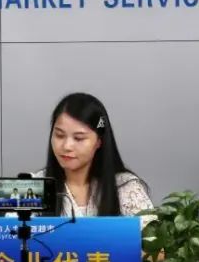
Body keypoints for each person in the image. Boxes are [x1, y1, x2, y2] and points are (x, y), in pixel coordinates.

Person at [35, 92, 152, 223]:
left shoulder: (125, 188)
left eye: (78, 138)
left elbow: (151, 234)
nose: (67, 146)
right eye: (59, 135)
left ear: (99, 141)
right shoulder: (34, 186)